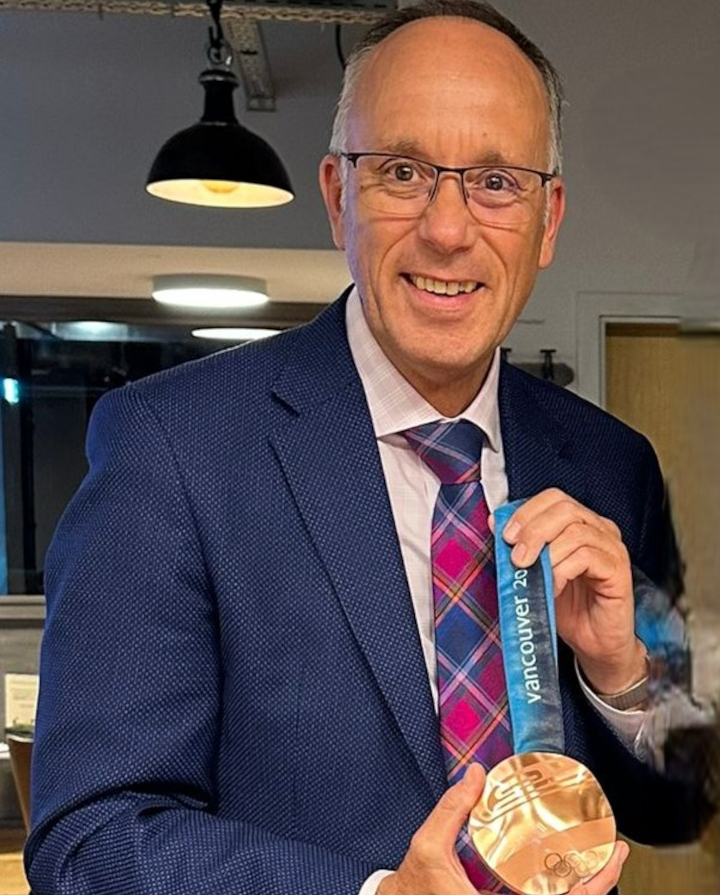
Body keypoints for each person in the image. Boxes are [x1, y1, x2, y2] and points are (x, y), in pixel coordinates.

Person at [26, 3, 708, 894]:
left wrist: (624, 680)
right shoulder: (174, 448)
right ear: (339, 194)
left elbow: (672, 811)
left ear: (549, 219)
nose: (449, 229)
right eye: (401, 170)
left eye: (497, 181)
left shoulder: (613, 465)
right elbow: (90, 840)